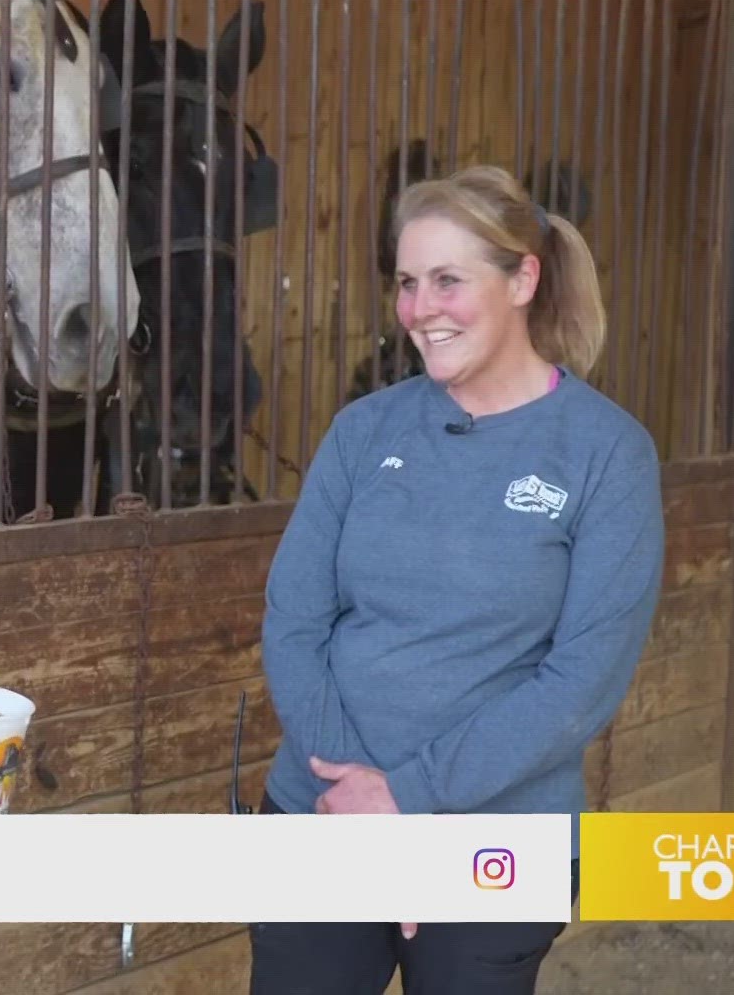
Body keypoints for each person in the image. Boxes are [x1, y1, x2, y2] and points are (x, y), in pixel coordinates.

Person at [249, 165, 663, 994]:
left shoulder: (606, 453)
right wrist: (358, 798)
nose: (419, 309)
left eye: (447, 280)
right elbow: (293, 619)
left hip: (497, 844)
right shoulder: (364, 429)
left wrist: (405, 796)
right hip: (324, 814)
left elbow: (580, 683)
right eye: (406, 283)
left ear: (523, 279)